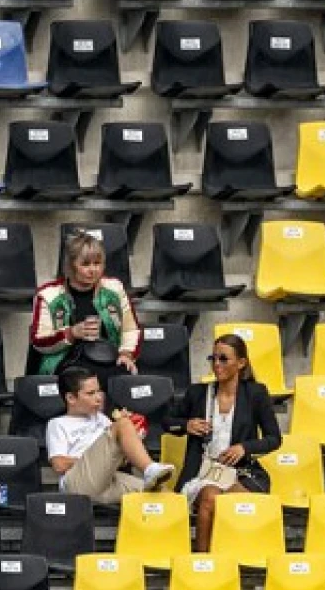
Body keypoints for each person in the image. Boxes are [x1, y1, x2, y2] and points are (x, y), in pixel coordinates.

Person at [163, 333, 283, 551]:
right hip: (202, 473)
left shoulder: (256, 393)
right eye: (213, 358)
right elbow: (166, 421)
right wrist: (186, 425)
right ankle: (203, 561)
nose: (216, 364)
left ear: (241, 363)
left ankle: (234, 559)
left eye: (223, 359)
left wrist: (245, 448)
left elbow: (274, 439)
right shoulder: (198, 393)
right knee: (211, 496)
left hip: (241, 472)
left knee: (237, 502)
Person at [29, 230, 141, 400]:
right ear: (71, 265)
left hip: (107, 357)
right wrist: (72, 333)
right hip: (66, 362)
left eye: (98, 263)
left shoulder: (114, 289)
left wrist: (126, 354)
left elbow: (130, 329)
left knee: (125, 378)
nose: (93, 270)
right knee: (88, 382)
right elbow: (39, 341)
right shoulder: (49, 295)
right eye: (86, 264)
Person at [45, 366, 174, 504]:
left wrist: (133, 436)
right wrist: (96, 462)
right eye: (90, 393)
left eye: (99, 391)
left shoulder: (102, 419)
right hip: (77, 484)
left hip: (108, 480)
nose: (98, 398)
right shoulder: (58, 424)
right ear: (71, 398)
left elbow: (119, 460)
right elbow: (59, 464)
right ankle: (150, 469)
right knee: (122, 424)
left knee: (165, 495)